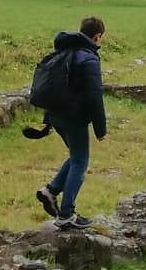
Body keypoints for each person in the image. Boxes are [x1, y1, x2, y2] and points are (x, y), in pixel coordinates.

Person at [34, 16, 107, 230]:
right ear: (98, 36)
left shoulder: (64, 52)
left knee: (75, 156)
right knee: (80, 161)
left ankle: (51, 190)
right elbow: (95, 96)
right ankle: (66, 213)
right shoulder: (89, 59)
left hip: (56, 115)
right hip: (73, 117)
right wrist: (100, 129)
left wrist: (48, 119)